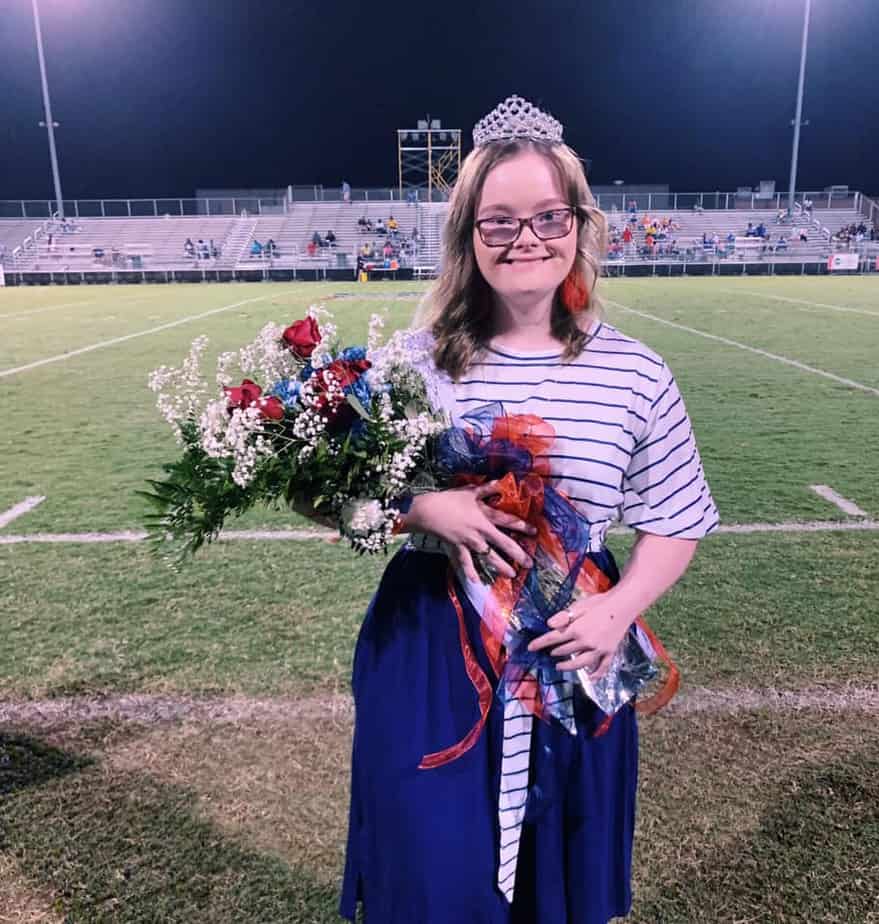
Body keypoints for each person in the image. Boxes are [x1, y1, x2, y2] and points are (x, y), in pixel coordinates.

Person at [308, 95, 718, 924]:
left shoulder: (636, 372)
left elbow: (676, 518)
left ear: (578, 225)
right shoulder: (410, 364)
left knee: (556, 876)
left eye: (546, 216)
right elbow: (321, 493)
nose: (524, 238)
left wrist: (616, 611)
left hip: (572, 642)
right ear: (467, 236)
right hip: (430, 648)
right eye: (497, 221)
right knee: (432, 869)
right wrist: (424, 510)